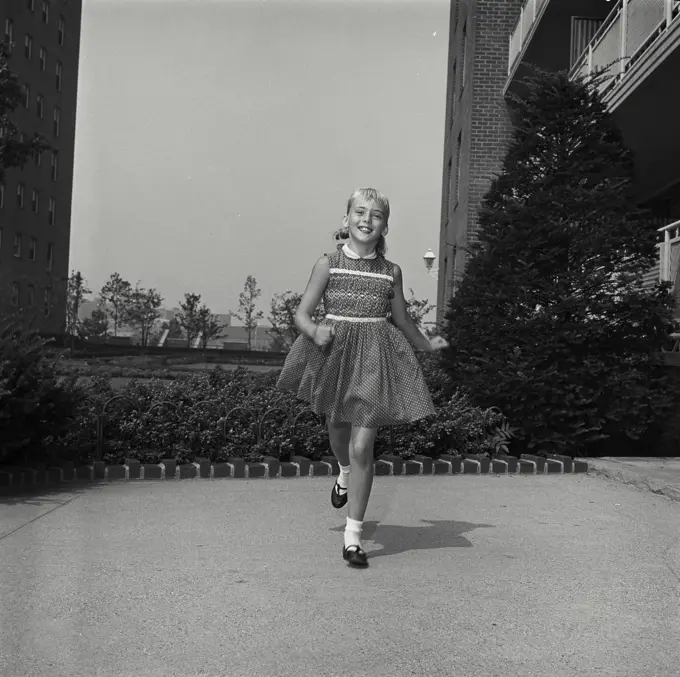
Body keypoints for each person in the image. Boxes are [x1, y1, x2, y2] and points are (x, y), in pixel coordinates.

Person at [277, 188, 448, 567]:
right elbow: (302, 313)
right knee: (338, 433)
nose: (366, 219)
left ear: (385, 225)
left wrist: (425, 343)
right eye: (360, 212)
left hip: (373, 358)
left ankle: (353, 538)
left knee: (362, 446)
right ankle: (341, 473)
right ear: (346, 219)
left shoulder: (391, 272)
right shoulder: (328, 264)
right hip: (335, 356)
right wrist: (312, 331)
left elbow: (402, 320)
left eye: (376, 215)